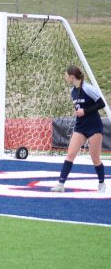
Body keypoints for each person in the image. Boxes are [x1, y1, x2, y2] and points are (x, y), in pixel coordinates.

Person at [51, 65, 106, 193]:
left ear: (72, 76)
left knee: (95, 158)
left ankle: (102, 183)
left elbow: (101, 104)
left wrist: (84, 111)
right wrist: (78, 112)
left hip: (94, 127)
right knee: (70, 154)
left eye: (66, 75)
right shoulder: (72, 91)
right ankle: (61, 184)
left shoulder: (88, 88)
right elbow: (79, 107)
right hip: (80, 127)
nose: (65, 78)